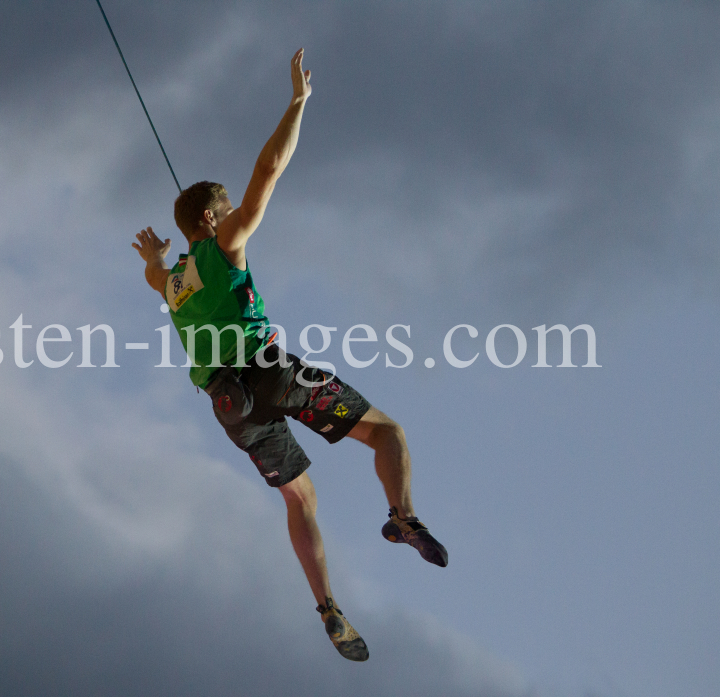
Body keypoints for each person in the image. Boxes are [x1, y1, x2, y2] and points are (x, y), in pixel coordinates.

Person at [131, 48, 447, 662]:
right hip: (268, 373)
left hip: (229, 408)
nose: (234, 221)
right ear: (210, 218)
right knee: (388, 434)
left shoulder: (170, 285)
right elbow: (267, 171)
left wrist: (152, 256)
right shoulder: (222, 244)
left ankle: (327, 606)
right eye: (223, 215)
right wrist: (297, 103)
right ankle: (402, 516)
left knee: (299, 498)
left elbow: (154, 275)